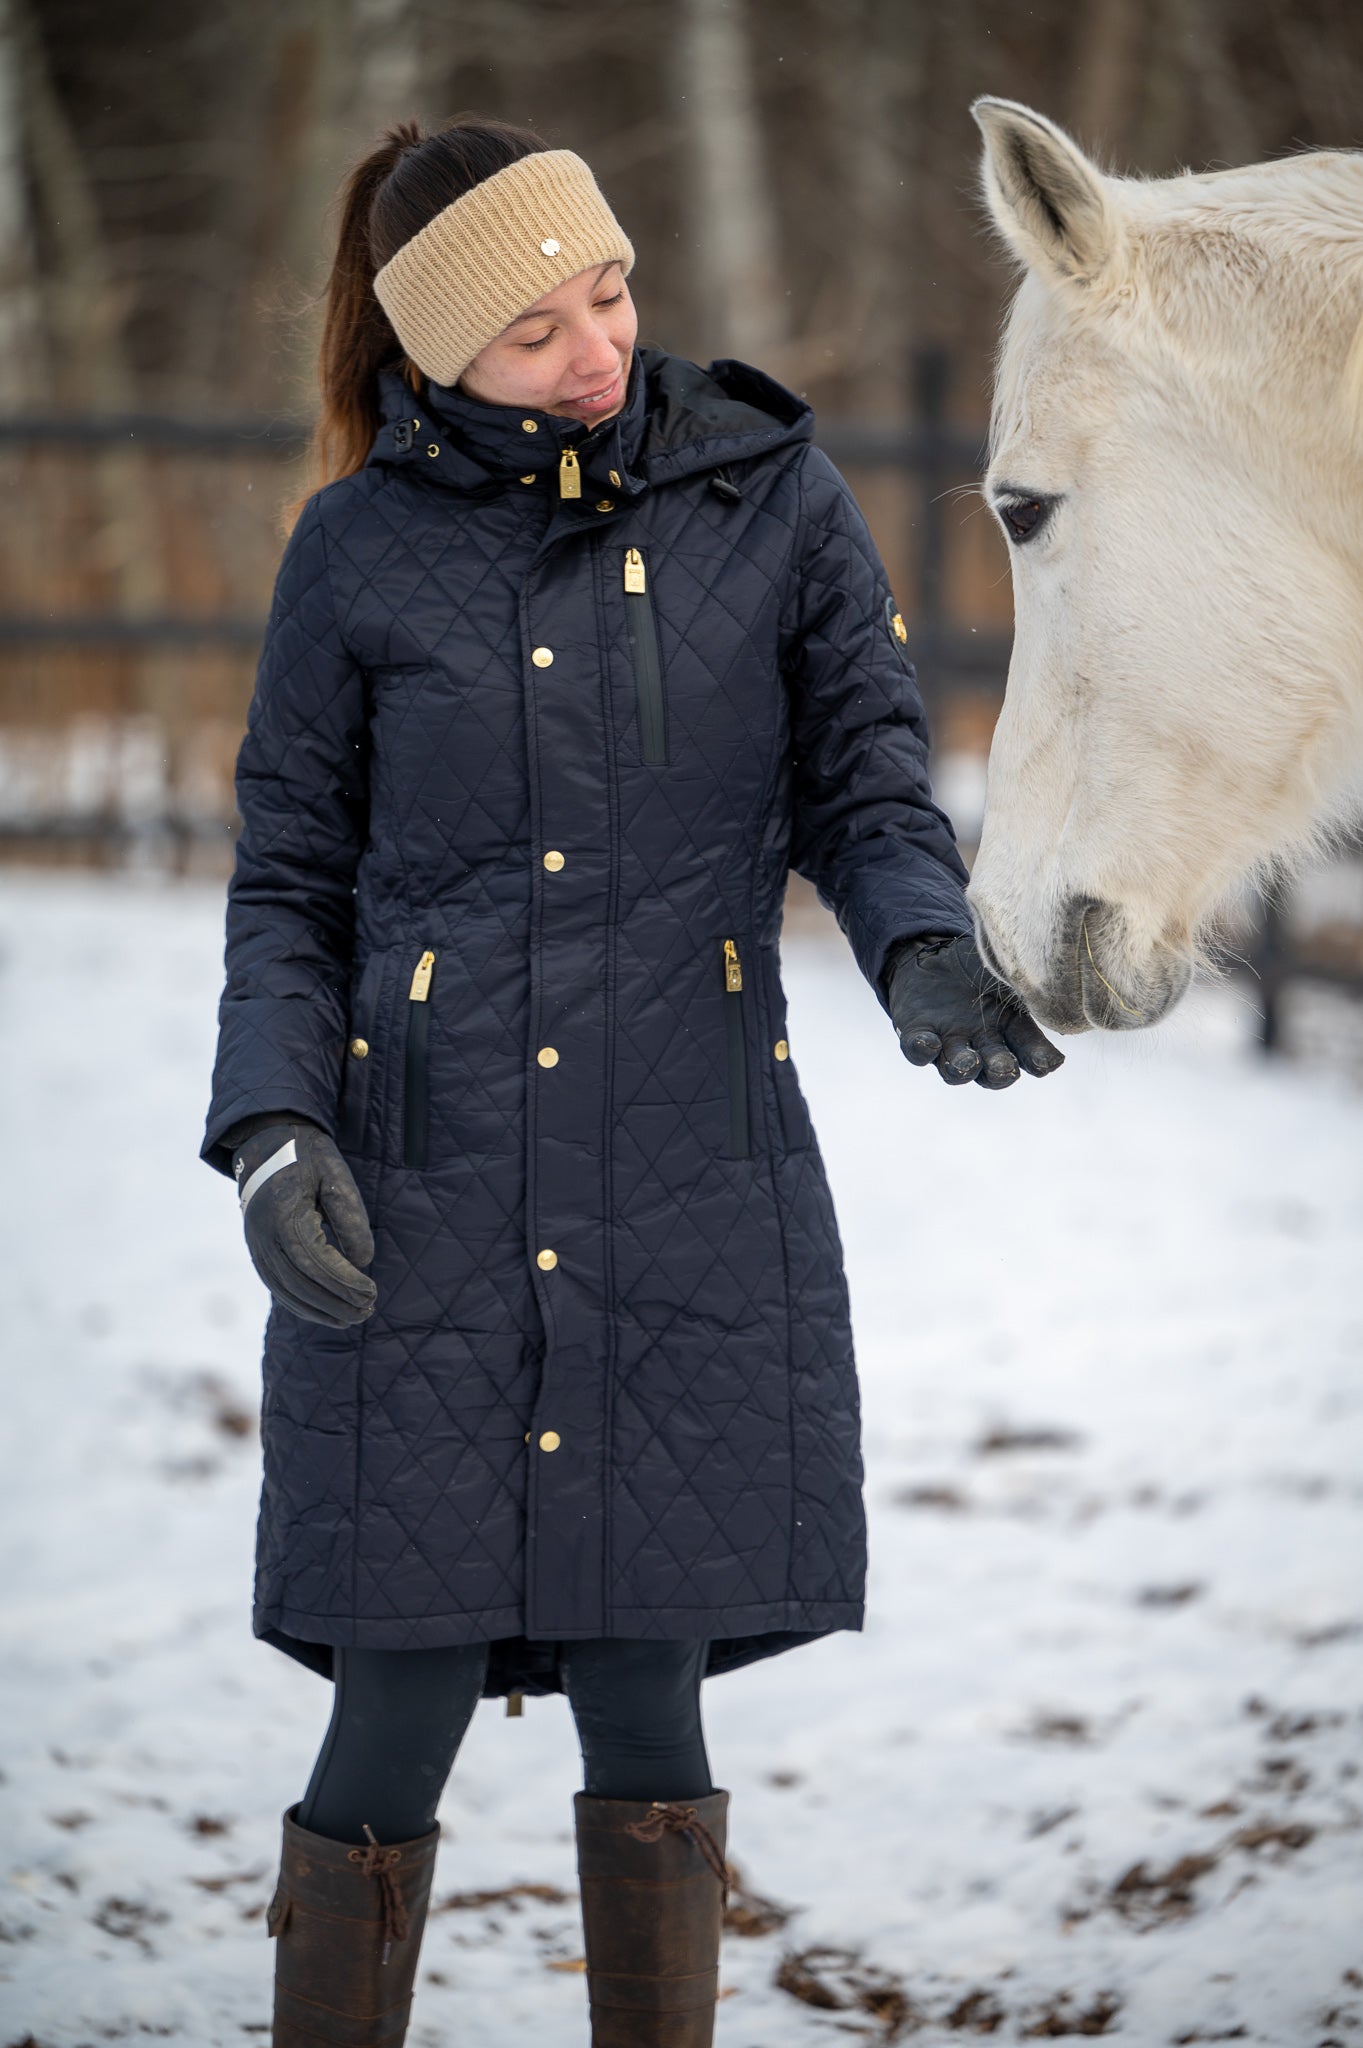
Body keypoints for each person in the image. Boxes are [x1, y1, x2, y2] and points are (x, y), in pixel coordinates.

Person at [201, 114, 1062, 2048]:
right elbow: (289, 879)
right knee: (393, 1690)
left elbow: (865, 775)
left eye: (609, 295)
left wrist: (924, 944)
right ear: (431, 354)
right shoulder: (353, 554)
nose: (593, 353)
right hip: (420, 1193)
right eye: (528, 334)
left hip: (688, 1179)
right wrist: (269, 1131)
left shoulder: (770, 493)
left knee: (645, 1680)